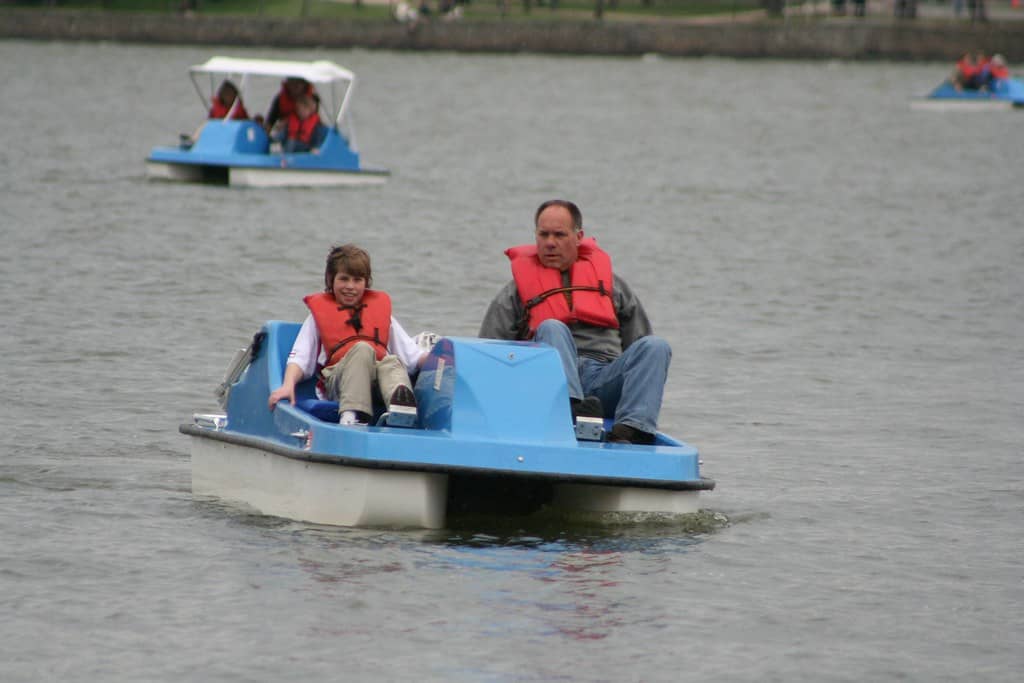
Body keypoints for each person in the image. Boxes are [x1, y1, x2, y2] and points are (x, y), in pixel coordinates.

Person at [478, 199, 672, 445]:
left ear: (578, 237)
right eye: (544, 234)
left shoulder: (613, 287)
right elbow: (489, 353)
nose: (550, 243)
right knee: (551, 326)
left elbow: (640, 351)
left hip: (602, 377)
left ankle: (632, 430)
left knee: (656, 346)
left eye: (559, 235)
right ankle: (570, 410)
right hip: (546, 384)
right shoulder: (514, 293)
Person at [268, 244, 426, 426]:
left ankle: (401, 410)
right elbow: (300, 358)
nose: (350, 286)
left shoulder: (383, 315)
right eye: (344, 279)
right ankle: (352, 415)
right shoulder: (317, 318)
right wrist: (288, 386)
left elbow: (412, 357)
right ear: (330, 280)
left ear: (366, 282)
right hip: (339, 383)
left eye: (357, 280)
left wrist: (440, 359)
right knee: (362, 349)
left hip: (376, 385)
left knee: (391, 362)